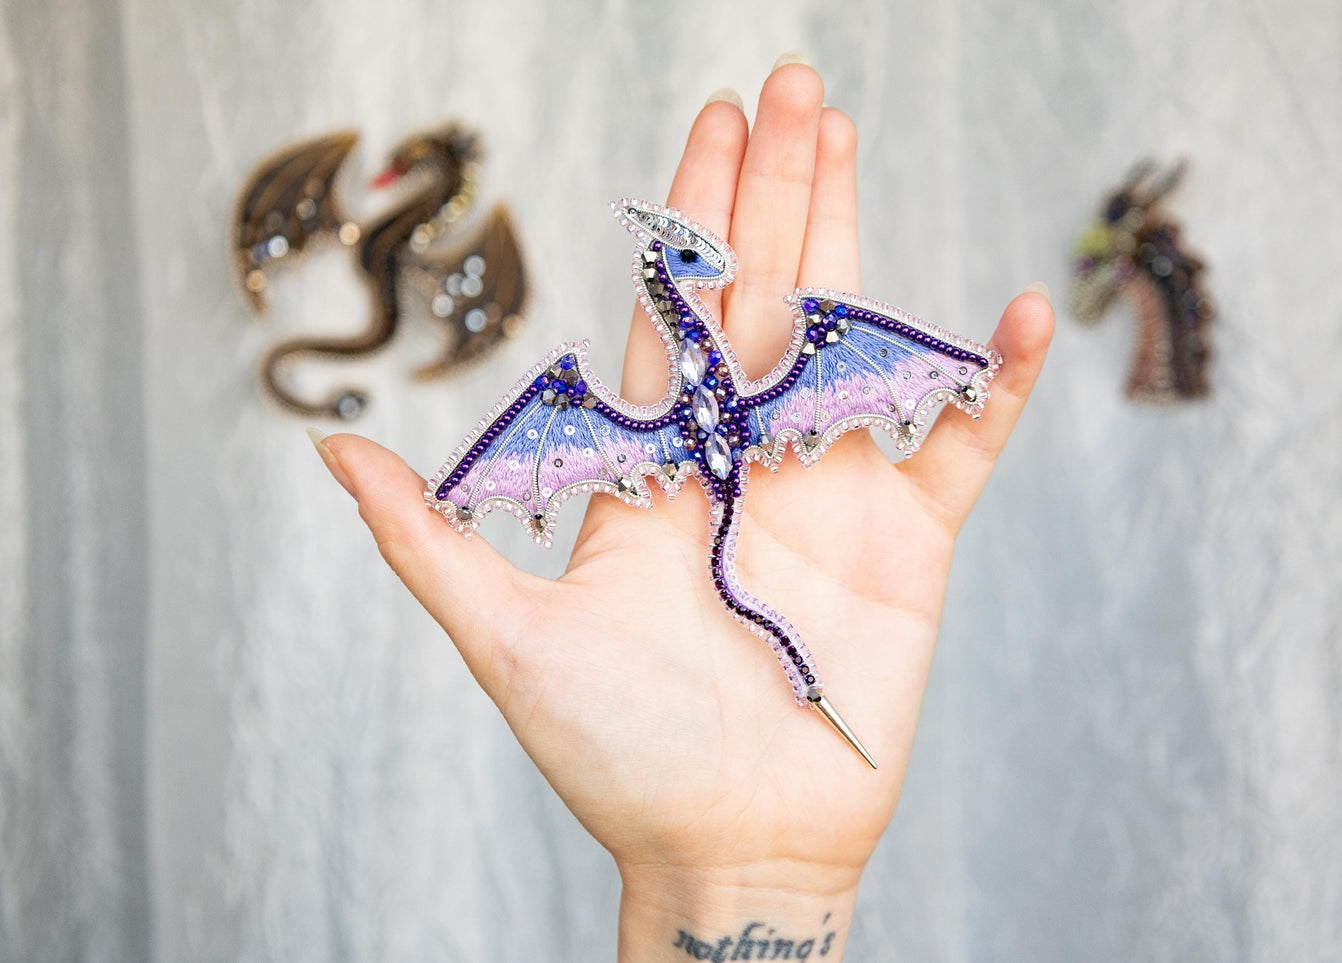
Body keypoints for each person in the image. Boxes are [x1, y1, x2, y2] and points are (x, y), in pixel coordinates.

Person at [310, 54, 1053, 961]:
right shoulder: (571, 410)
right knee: (727, 573)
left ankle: (802, 673)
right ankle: (797, 689)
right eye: (694, 267)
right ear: (668, 270)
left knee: (796, 424)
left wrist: (768, 885)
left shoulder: (820, 346)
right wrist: (738, 880)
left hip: (739, 433)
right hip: (681, 446)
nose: (710, 274)